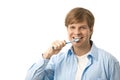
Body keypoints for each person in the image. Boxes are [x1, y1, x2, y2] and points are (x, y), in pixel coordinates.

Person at [25, 7, 120, 80]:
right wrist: (47, 55)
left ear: (91, 29)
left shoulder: (109, 62)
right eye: (72, 27)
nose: (77, 32)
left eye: (82, 27)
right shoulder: (57, 61)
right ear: (67, 29)